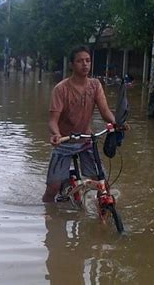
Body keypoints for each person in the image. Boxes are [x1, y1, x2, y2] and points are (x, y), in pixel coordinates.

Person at [43, 45, 116, 202]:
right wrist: (56, 134)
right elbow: (52, 121)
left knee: (103, 184)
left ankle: (103, 212)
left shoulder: (95, 85)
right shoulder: (61, 89)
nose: (85, 64)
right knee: (52, 189)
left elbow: (105, 112)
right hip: (64, 142)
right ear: (71, 64)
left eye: (88, 61)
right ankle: (49, 214)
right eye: (80, 61)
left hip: (86, 141)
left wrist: (117, 123)